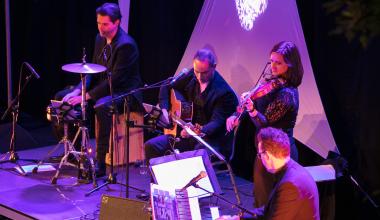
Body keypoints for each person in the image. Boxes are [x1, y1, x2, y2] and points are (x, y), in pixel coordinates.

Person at [61, 3, 143, 177]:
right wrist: (78, 91)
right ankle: (74, 153)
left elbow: (115, 80)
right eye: (99, 23)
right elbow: (91, 69)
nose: (101, 27)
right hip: (106, 89)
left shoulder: (126, 45)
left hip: (126, 93)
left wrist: (88, 96)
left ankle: (100, 163)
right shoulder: (99, 39)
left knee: (101, 106)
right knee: (63, 98)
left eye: (105, 24)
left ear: (117, 22)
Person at [226, 41, 304, 208]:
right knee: (261, 201)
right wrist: (236, 114)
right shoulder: (272, 82)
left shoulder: (287, 95)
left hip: (279, 153)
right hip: (265, 150)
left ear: (290, 65)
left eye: (278, 62)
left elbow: (266, 124)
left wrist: (253, 110)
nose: (273, 67)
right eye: (271, 61)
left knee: (273, 204)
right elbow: (252, 98)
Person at [144, 48, 238, 163]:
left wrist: (195, 131)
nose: (199, 76)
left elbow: (216, 123)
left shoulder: (224, 93)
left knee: (195, 156)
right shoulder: (191, 75)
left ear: (214, 67)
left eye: (204, 73)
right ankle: (158, 181)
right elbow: (166, 86)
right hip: (186, 135)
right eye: (196, 71)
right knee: (151, 146)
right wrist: (164, 110)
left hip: (210, 142)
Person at [218, 127, 320, 220]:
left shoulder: (290, 185)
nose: (260, 158)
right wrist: (237, 218)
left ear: (267, 155)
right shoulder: (289, 170)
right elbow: (269, 209)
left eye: (259, 154)